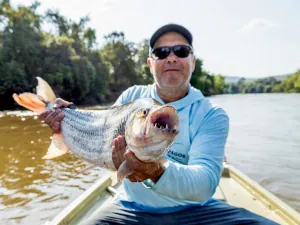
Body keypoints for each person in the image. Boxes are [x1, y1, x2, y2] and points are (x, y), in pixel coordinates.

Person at [39, 24, 278, 225]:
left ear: (193, 61)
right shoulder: (131, 96)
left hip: (196, 212)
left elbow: (204, 184)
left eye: (181, 51)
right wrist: (68, 117)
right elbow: (100, 131)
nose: (171, 57)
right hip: (131, 209)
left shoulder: (212, 115)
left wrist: (154, 171)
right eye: (162, 52)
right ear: (150, 63)